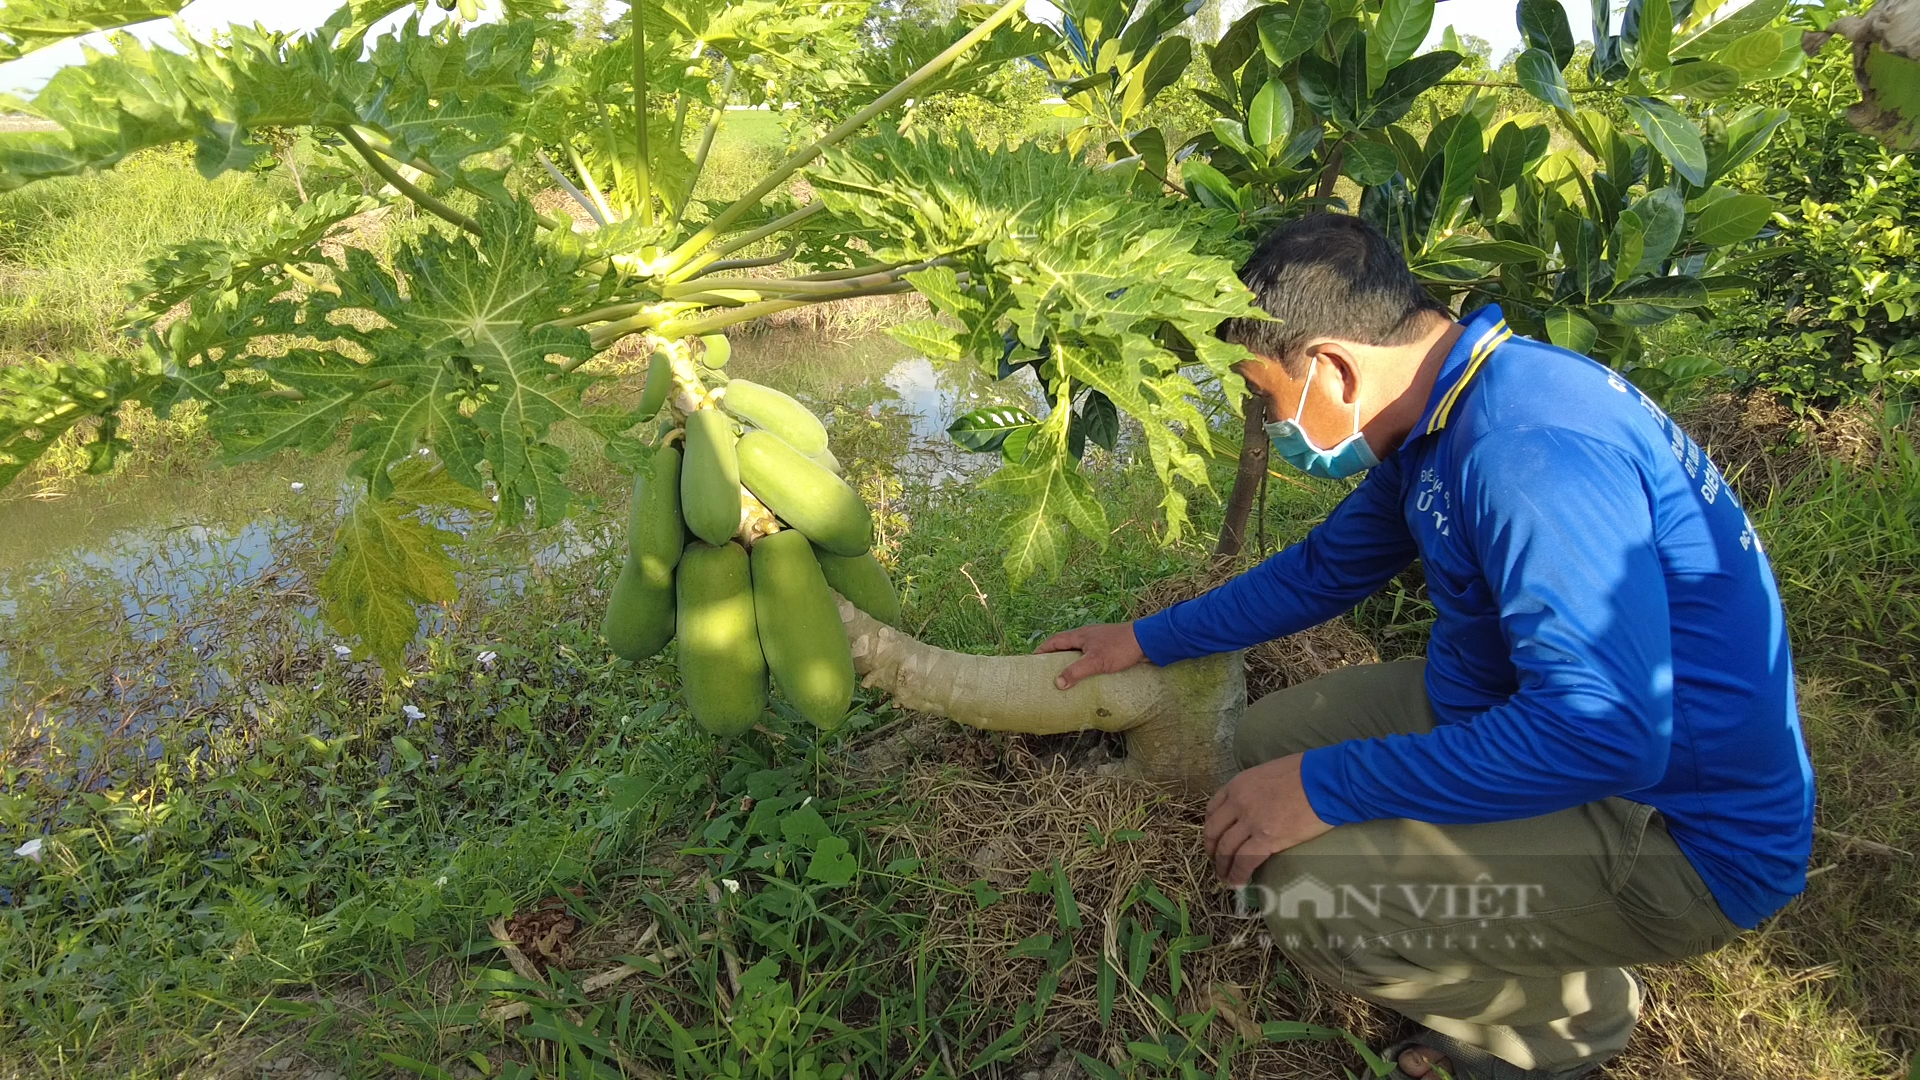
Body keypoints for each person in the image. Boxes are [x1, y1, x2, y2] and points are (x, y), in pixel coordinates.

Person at [1036, 213, 1814, 1080]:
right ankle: (1518, 917)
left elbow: (1606, 731)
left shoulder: (1530, 452)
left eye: (1264, 395)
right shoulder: (1451, 405)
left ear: (1333, 364)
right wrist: (1143, 640)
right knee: (1256, 749)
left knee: (1310, 890)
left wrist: (1332, 787)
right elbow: (1325, 569)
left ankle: (1570, 1023)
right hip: (1523, 717)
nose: (1266, 420)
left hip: (1671, 827)